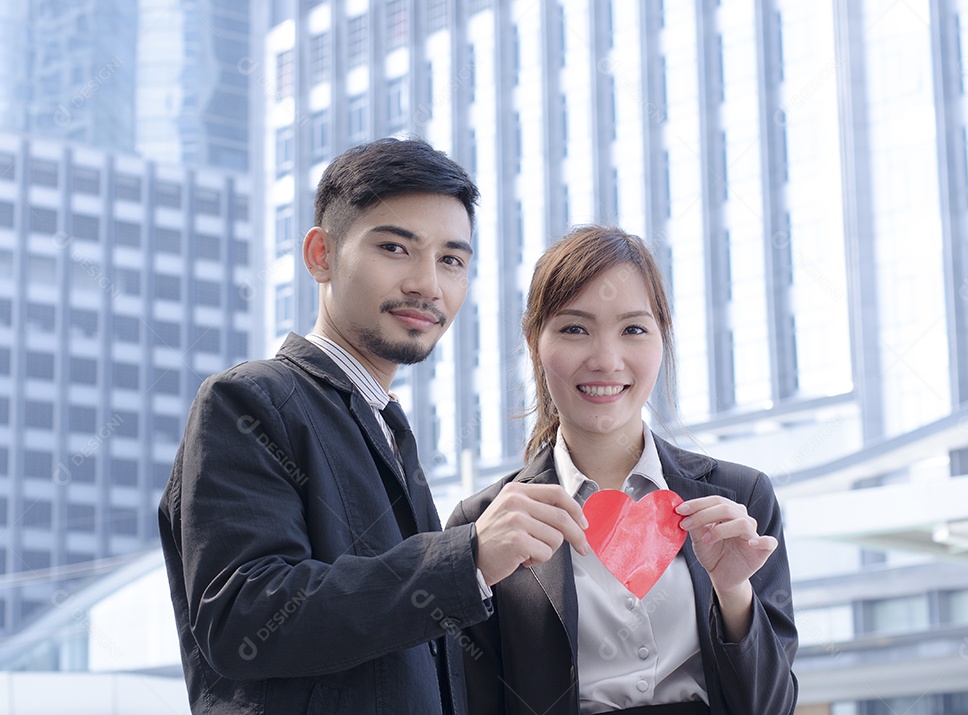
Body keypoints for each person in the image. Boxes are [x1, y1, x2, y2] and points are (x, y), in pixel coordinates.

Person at [158, 138, 590, 714]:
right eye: (395, 247)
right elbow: (245, 616)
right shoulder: (249, 400)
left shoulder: (384, 422)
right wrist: (464, 559)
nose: (427, 284)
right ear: (321, 255)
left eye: (452, 260)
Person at [447, 225, 799, 714]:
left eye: (633, 329)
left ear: (663, 338)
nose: (606, 360)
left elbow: (770, 707)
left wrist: (733, 590)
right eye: (574, 329)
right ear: (534, 341)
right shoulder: (486, 523)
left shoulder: (741, 497)